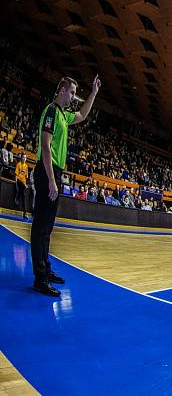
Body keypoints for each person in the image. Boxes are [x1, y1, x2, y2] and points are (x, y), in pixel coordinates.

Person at [31, 75, 100, 296]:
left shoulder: (63, 114)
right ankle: (40, 278)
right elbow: (45, 145)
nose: (73, 97)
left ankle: (46, 269)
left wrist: (94, 93)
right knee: (41, 227)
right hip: (46, 171)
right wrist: (51, 179)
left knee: (48, 227)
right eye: (71, 92)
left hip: (55, 172)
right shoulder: (51, 111)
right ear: (61, 90)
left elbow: (82, 114)